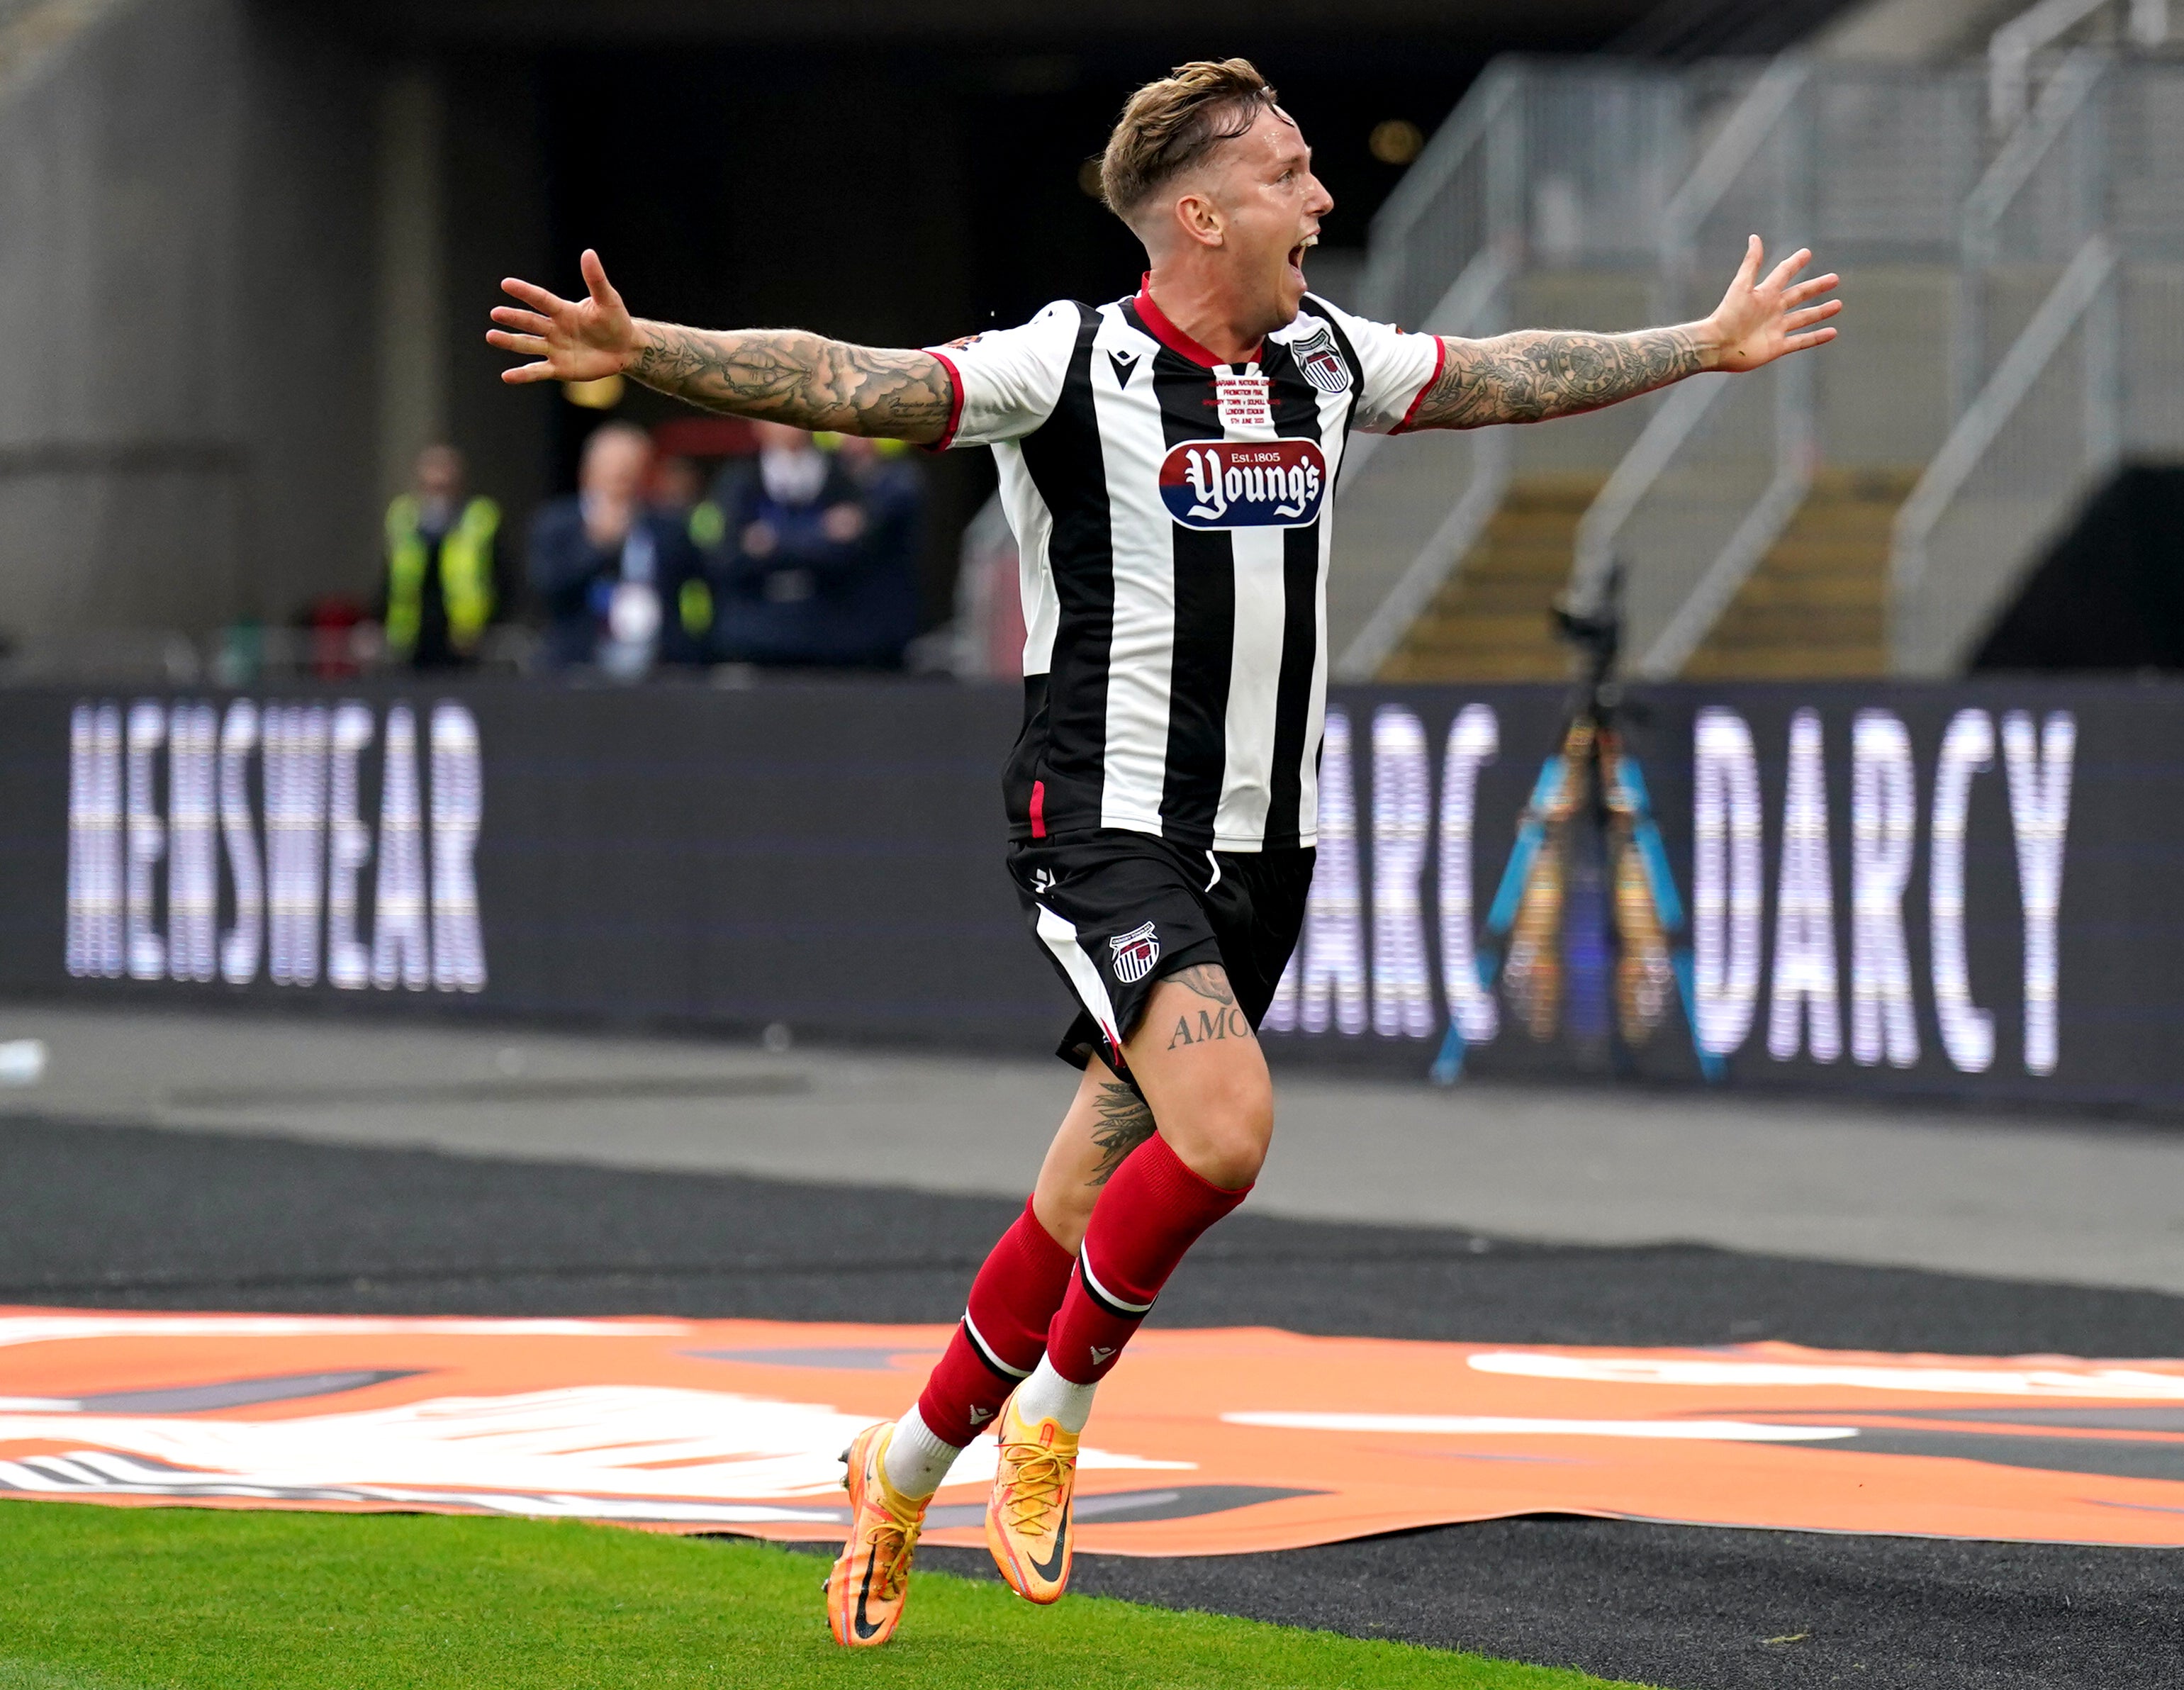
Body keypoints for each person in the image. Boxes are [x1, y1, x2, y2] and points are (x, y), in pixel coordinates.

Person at [488, 56, 1838, 1645]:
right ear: (1198, 212)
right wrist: (647, 351)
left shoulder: (1326, 358)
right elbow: (849, 378)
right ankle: (1055, 1418)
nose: (1323, 200)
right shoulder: (1066, 365)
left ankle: (900, 1469)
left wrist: (1699, 344)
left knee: (1080, 1190)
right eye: (1290, 175)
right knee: (1224, 1130)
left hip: (1273, 845)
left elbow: (1503, 373)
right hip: (1109, 829)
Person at [709, 421, 921, 668]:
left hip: (833, 638)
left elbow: (854, 553)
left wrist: (771, 541)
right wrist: (820, 532)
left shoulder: (841, 476)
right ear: (757, 425)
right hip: (754, 638)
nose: (788, 425)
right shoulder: (738, 479)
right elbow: (728, 558)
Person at [526, 421, 712, 676]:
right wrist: (597, 547)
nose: (622, 481)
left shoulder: (668, 527)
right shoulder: (558, 523)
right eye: (614, 471)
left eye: (630, 471)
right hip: (577, 668)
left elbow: (701, 584)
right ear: (588, 472)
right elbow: (546, 587)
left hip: (655, 668)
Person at [380, 444, 498, 671]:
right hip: (411, 641)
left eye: (444, 488)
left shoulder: (479, 518)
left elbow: (498, 579)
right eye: (431, 488)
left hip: (464, 642)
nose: (437, 497)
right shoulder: (403, 518)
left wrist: (487, 628)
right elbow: (390, 579)